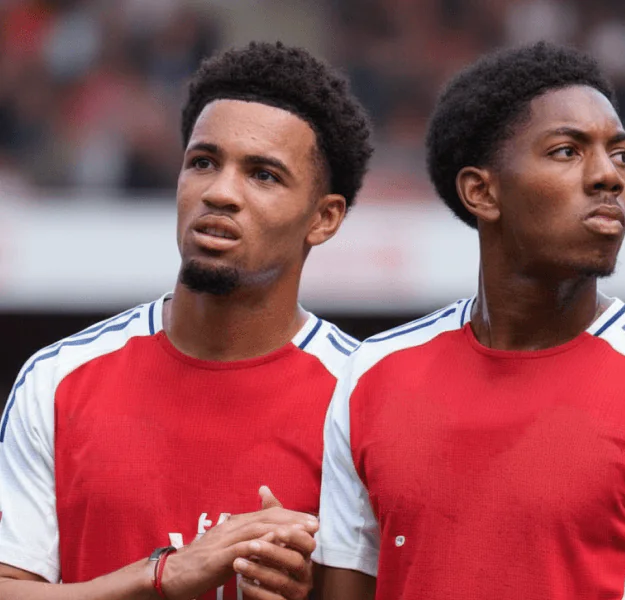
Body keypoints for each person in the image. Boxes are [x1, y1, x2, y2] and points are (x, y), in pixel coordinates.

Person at [313, 42, 625, 600]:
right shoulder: (372, 375)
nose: (609, 176)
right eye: (566, 151)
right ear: (482, 191)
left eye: (621, 155)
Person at [0, 41, 372, 600]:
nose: (220, 192)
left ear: (324, 218)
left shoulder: (364, 398)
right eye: (203, 162)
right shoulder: (58, 379)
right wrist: (164, 576)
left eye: (263, 175)